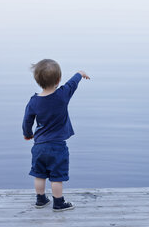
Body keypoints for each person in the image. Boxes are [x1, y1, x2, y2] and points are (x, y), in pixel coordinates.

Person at [22, 59, 90, 211]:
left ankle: (40, 200)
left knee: (39, 174)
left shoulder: (33, 101)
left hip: (39, 146)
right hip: (57, 146)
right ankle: (58, 203)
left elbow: (27, 121)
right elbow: (72, 83)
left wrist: (28, 134)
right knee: (57, 177)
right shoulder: (62, 95)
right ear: (58, 80)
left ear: (37, 80)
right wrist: (80, 73)